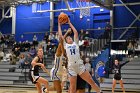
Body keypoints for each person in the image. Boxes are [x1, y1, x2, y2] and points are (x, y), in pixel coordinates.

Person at [58, 18, 102, 93]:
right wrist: (59, 24)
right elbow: (60, 36)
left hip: (80, 65)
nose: (69, 38)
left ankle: (100, 92)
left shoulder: (76, 43)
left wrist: (69, 23)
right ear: (66, 41)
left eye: (70, 37)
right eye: (67, 38)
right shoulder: (65, 46)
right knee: (72, 88)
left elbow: (75, 32)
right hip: (71, 67)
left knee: (91, 81)